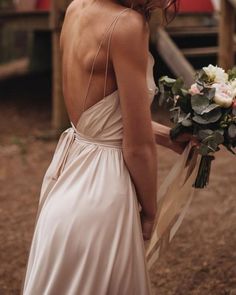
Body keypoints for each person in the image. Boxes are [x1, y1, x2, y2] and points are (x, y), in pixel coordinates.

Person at [21, 0, 196, 294]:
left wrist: (170, 137)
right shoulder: (127, 25)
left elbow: (99, 121)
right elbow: (137, 146)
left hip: (64, 186)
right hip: (102, 197)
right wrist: (151, 211)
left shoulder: (77, 7)